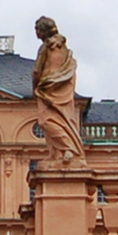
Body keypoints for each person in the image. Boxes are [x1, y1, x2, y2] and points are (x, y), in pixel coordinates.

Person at [32, 17, 86, 166]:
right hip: (60, 88)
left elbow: (37, 70)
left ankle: (68, 148)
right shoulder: (63, 48)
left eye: (37, 29)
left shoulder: (45, 47)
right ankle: (56, 154)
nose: (36, 33)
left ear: (43, 30)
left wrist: (35, 86)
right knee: (61, 120)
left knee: (46, 120)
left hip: (47, 87)